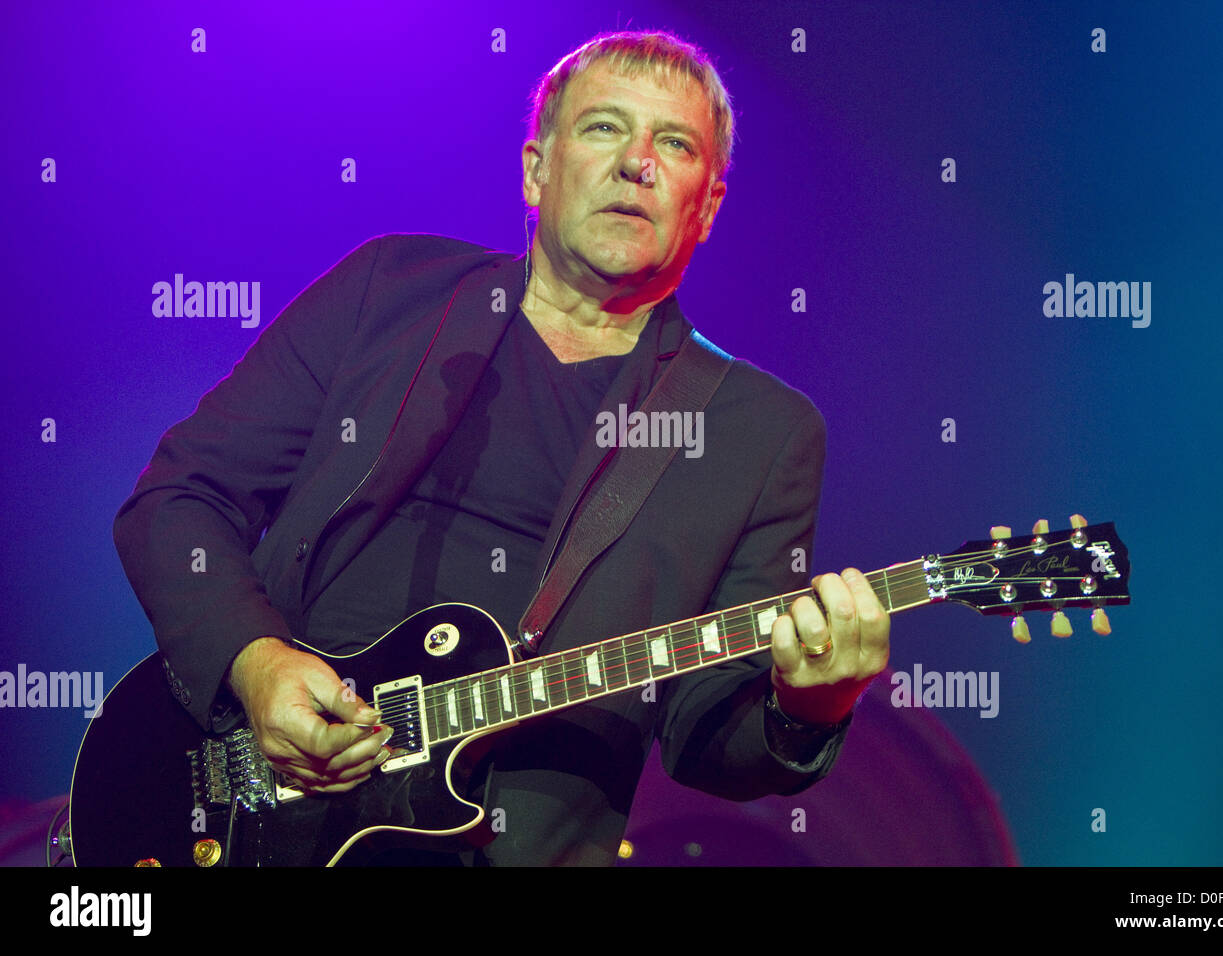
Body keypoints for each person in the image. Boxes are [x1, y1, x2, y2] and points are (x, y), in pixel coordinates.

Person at [113, 30, 890, 865]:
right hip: (246, 801)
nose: (638, 163)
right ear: (535, 170)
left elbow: (706, 737)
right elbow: (178, 498)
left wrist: (810, 707)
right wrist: (254, 662)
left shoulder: (758, 431)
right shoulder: (390, 293)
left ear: (708, 203)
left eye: (675, 143)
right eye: (604, 128)